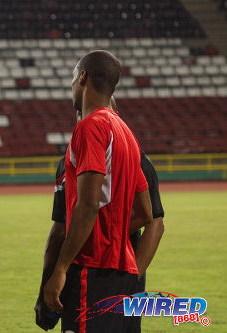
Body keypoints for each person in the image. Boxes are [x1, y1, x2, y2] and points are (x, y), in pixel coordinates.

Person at [43, 50, 155, 332]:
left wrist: (60, 269)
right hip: (123, 274)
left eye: (72, 78)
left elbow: (89, 204)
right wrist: (111, 235)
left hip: (90, 273)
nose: (71, 86)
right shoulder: (126, 133)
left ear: (83, 77)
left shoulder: (90, 127)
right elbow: (145, 213)